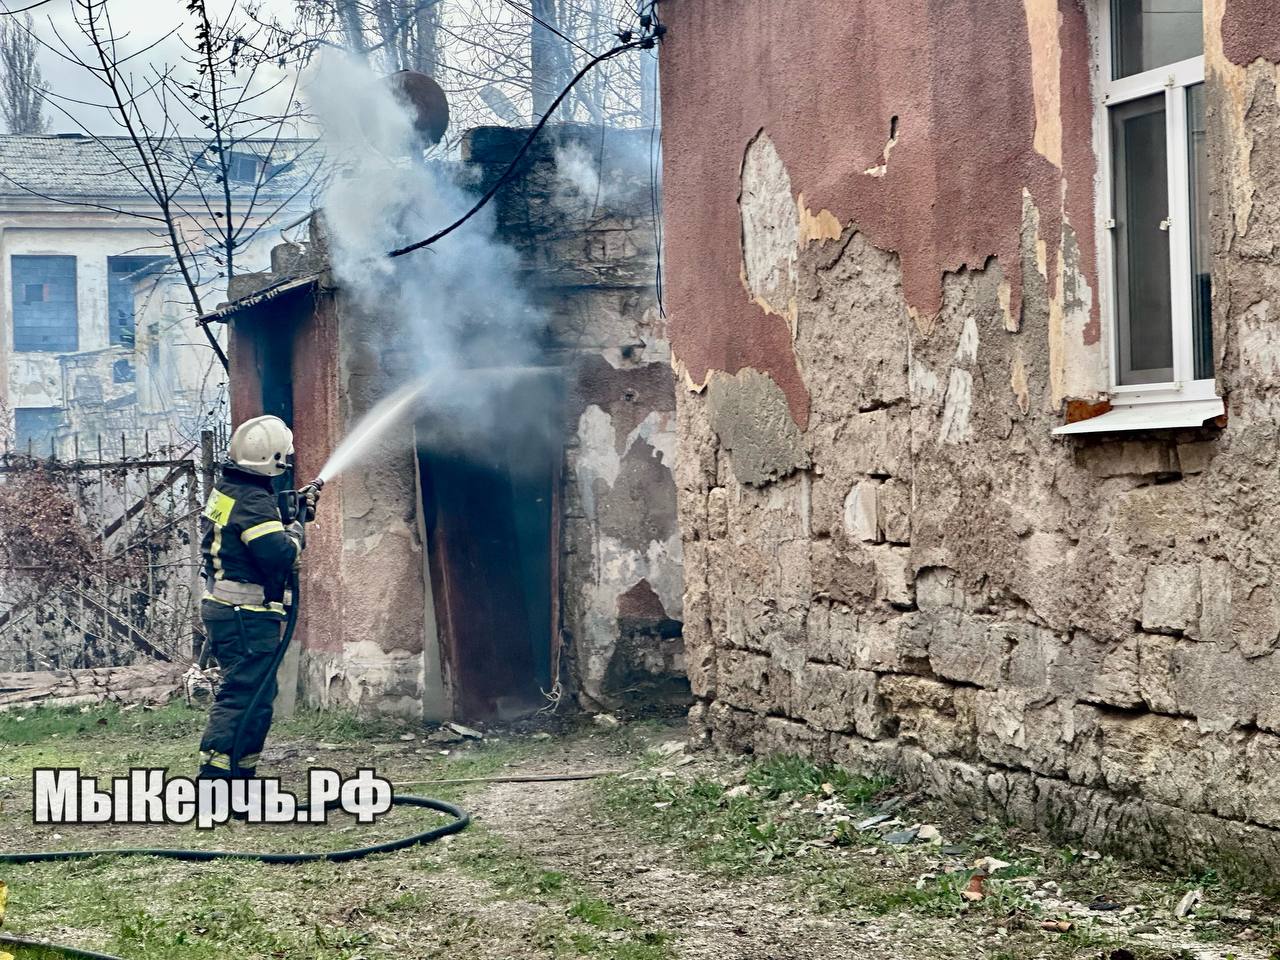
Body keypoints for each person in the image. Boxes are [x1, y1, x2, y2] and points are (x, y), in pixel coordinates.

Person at [196, 415, 317, 782]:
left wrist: (290, 509)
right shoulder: (252, 501)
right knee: (244, 694)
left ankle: (241, 777)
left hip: (230, 610)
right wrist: (296, 529)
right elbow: (279, 554)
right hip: (244, 616)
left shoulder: (228, 490)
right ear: (273, 459)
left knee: (257, 695)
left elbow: (243, 532)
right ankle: (216, 777)